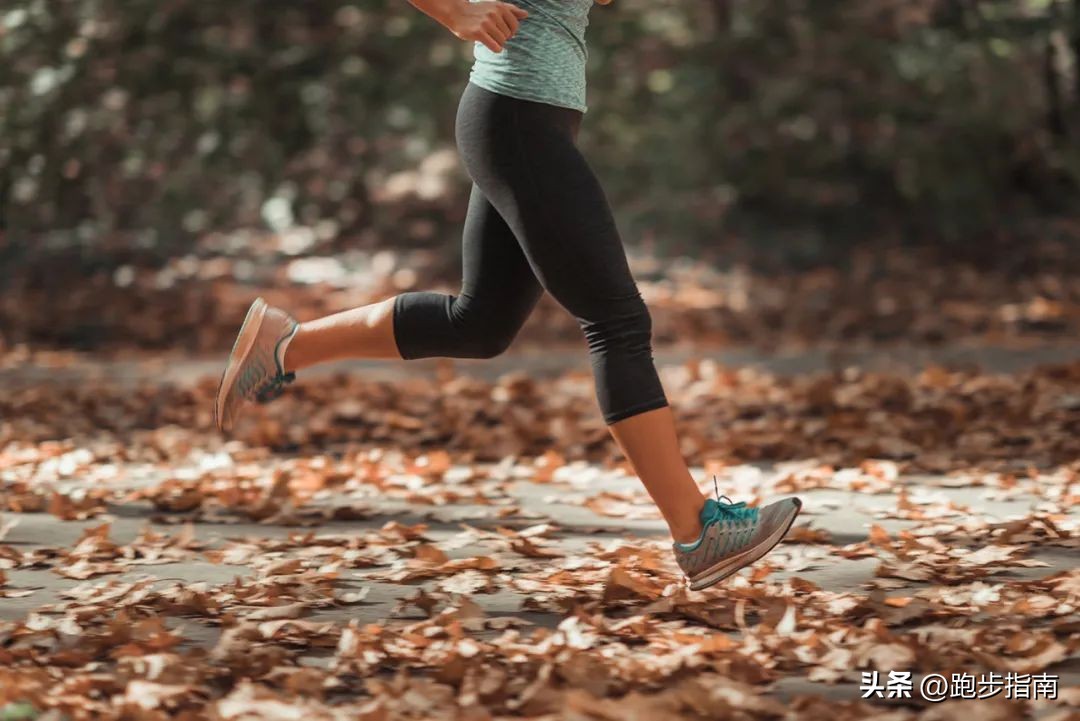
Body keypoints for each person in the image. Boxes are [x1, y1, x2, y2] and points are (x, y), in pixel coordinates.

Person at [213, 0, 801, 591]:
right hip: (517, 118)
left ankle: (285, 346)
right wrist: (451, 11)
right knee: (616, 319)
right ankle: (697, 530)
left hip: (523, 121)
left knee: (481, 325)